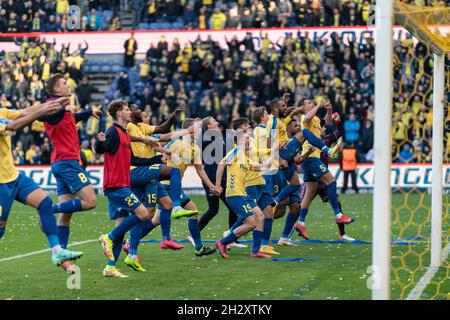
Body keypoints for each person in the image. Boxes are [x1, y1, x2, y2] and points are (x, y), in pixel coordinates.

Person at [0, 98, 83, 268]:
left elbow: (24, 112)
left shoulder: (2, 111)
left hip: (14, 177)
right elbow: (14, 126)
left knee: (45, 203)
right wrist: (42, 111)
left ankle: (57, 251)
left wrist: (47, 106)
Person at [41, 73, 102, 273]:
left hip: (61, 162)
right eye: (64, 84)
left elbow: (70, 118)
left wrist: (87, 112)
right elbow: (47, 115)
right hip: (67, 162)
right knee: (90, 201)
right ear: (56, 89)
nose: (68, 86)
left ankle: (64, 258)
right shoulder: (52, 106)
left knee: (66, 214)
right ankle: (48, 210)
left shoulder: (63, 108)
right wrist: (63, 106)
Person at [96, 99, 162, 278]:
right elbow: (102, 149)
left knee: (123, 226)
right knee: (143, 214)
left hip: (123, 185)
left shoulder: (125, 134)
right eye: (126, 109)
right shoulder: (113, 131)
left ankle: (110, 267)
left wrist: (157, 159)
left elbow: (134, 161)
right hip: (115, 185)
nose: (129, 111)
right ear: (119, 113)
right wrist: (99, 142)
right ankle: (107, 237)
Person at [294, 98, 354, 241]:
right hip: (311, 158)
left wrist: (328, 109)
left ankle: (301, 223)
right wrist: (318, 105)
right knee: (331, 181)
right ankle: (338, 215)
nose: (311, 104)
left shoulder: (315, 120)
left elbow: (327, 122)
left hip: (310, 160)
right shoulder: (305, 118)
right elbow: (307, 115)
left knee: (310, 192)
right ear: (303, 108)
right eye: (308, 103)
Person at [214, 127, 278, 259]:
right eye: (247, 137)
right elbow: (221, 164)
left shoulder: (246, 158)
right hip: (234, 194)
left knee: (260, 217)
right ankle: (223, 242)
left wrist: (274, 152)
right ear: (241, 140)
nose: (250, 139)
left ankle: (255, 251)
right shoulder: (236, 151)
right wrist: (217, 185)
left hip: (242, 194)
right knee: (252, 222)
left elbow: (264, 167)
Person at [160, 118, 219, 257]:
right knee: (193, 210)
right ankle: (198, 247)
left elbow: (200, 170)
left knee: (154, 219)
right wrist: (166, 155)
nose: (200, 131)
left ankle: (130, 244)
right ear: (190, 130)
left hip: (174, 187)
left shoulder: (195, 148)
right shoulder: (177, 143)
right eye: (197, 129)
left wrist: (211, 186)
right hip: (167, 185)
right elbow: (162, 153)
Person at [231, 117, 278, 256]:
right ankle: (230, 233)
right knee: (253, 215)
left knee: (268, 211)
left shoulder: (249, 140)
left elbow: (259, 151)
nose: (249, 126)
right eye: (246, 125)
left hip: (260, 181)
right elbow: (257, 152)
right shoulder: (239, 145)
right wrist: (272, 149)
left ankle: (264, 245)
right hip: (250, 183)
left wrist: (272, 149)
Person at [197, 116, 242, 247]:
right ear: (208, 127)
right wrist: (200, 127)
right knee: (214, 210)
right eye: (213, 122)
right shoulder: (206, 138)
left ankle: (231, 238)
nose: (217, 122)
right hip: (211, 180)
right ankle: (195, 232)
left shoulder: (219, 137)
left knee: (229, 209)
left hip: (222, 179)